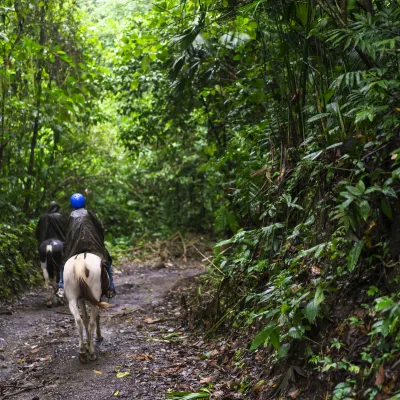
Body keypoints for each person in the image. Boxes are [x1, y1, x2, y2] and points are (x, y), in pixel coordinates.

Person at [57, 193, 116, 299]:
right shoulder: (90, 214)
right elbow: (99, 227)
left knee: (63, 264)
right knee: (107, 262)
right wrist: (100, 240)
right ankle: (111, 287)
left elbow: (67, 233)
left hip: (74, 247)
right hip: (92, 245)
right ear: (83, 202)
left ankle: (61, 285)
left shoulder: (70, 216)